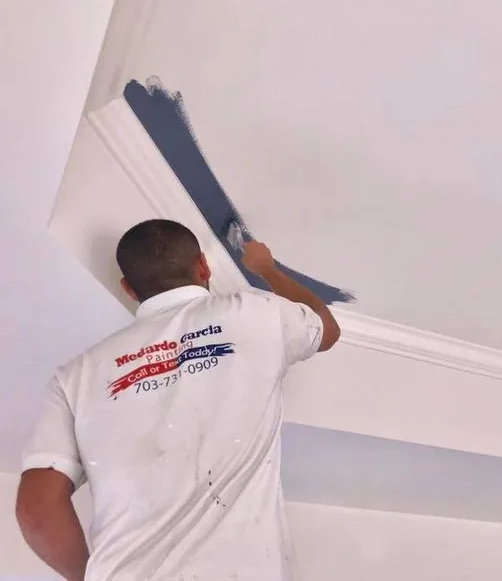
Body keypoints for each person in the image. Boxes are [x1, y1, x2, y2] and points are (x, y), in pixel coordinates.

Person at [15, 219, 341, 581]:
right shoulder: (257, 313)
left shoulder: (75, 376)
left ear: (128, 289)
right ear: (204, 267)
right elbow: (327, 329)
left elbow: (37, 511)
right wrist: (266, 269)